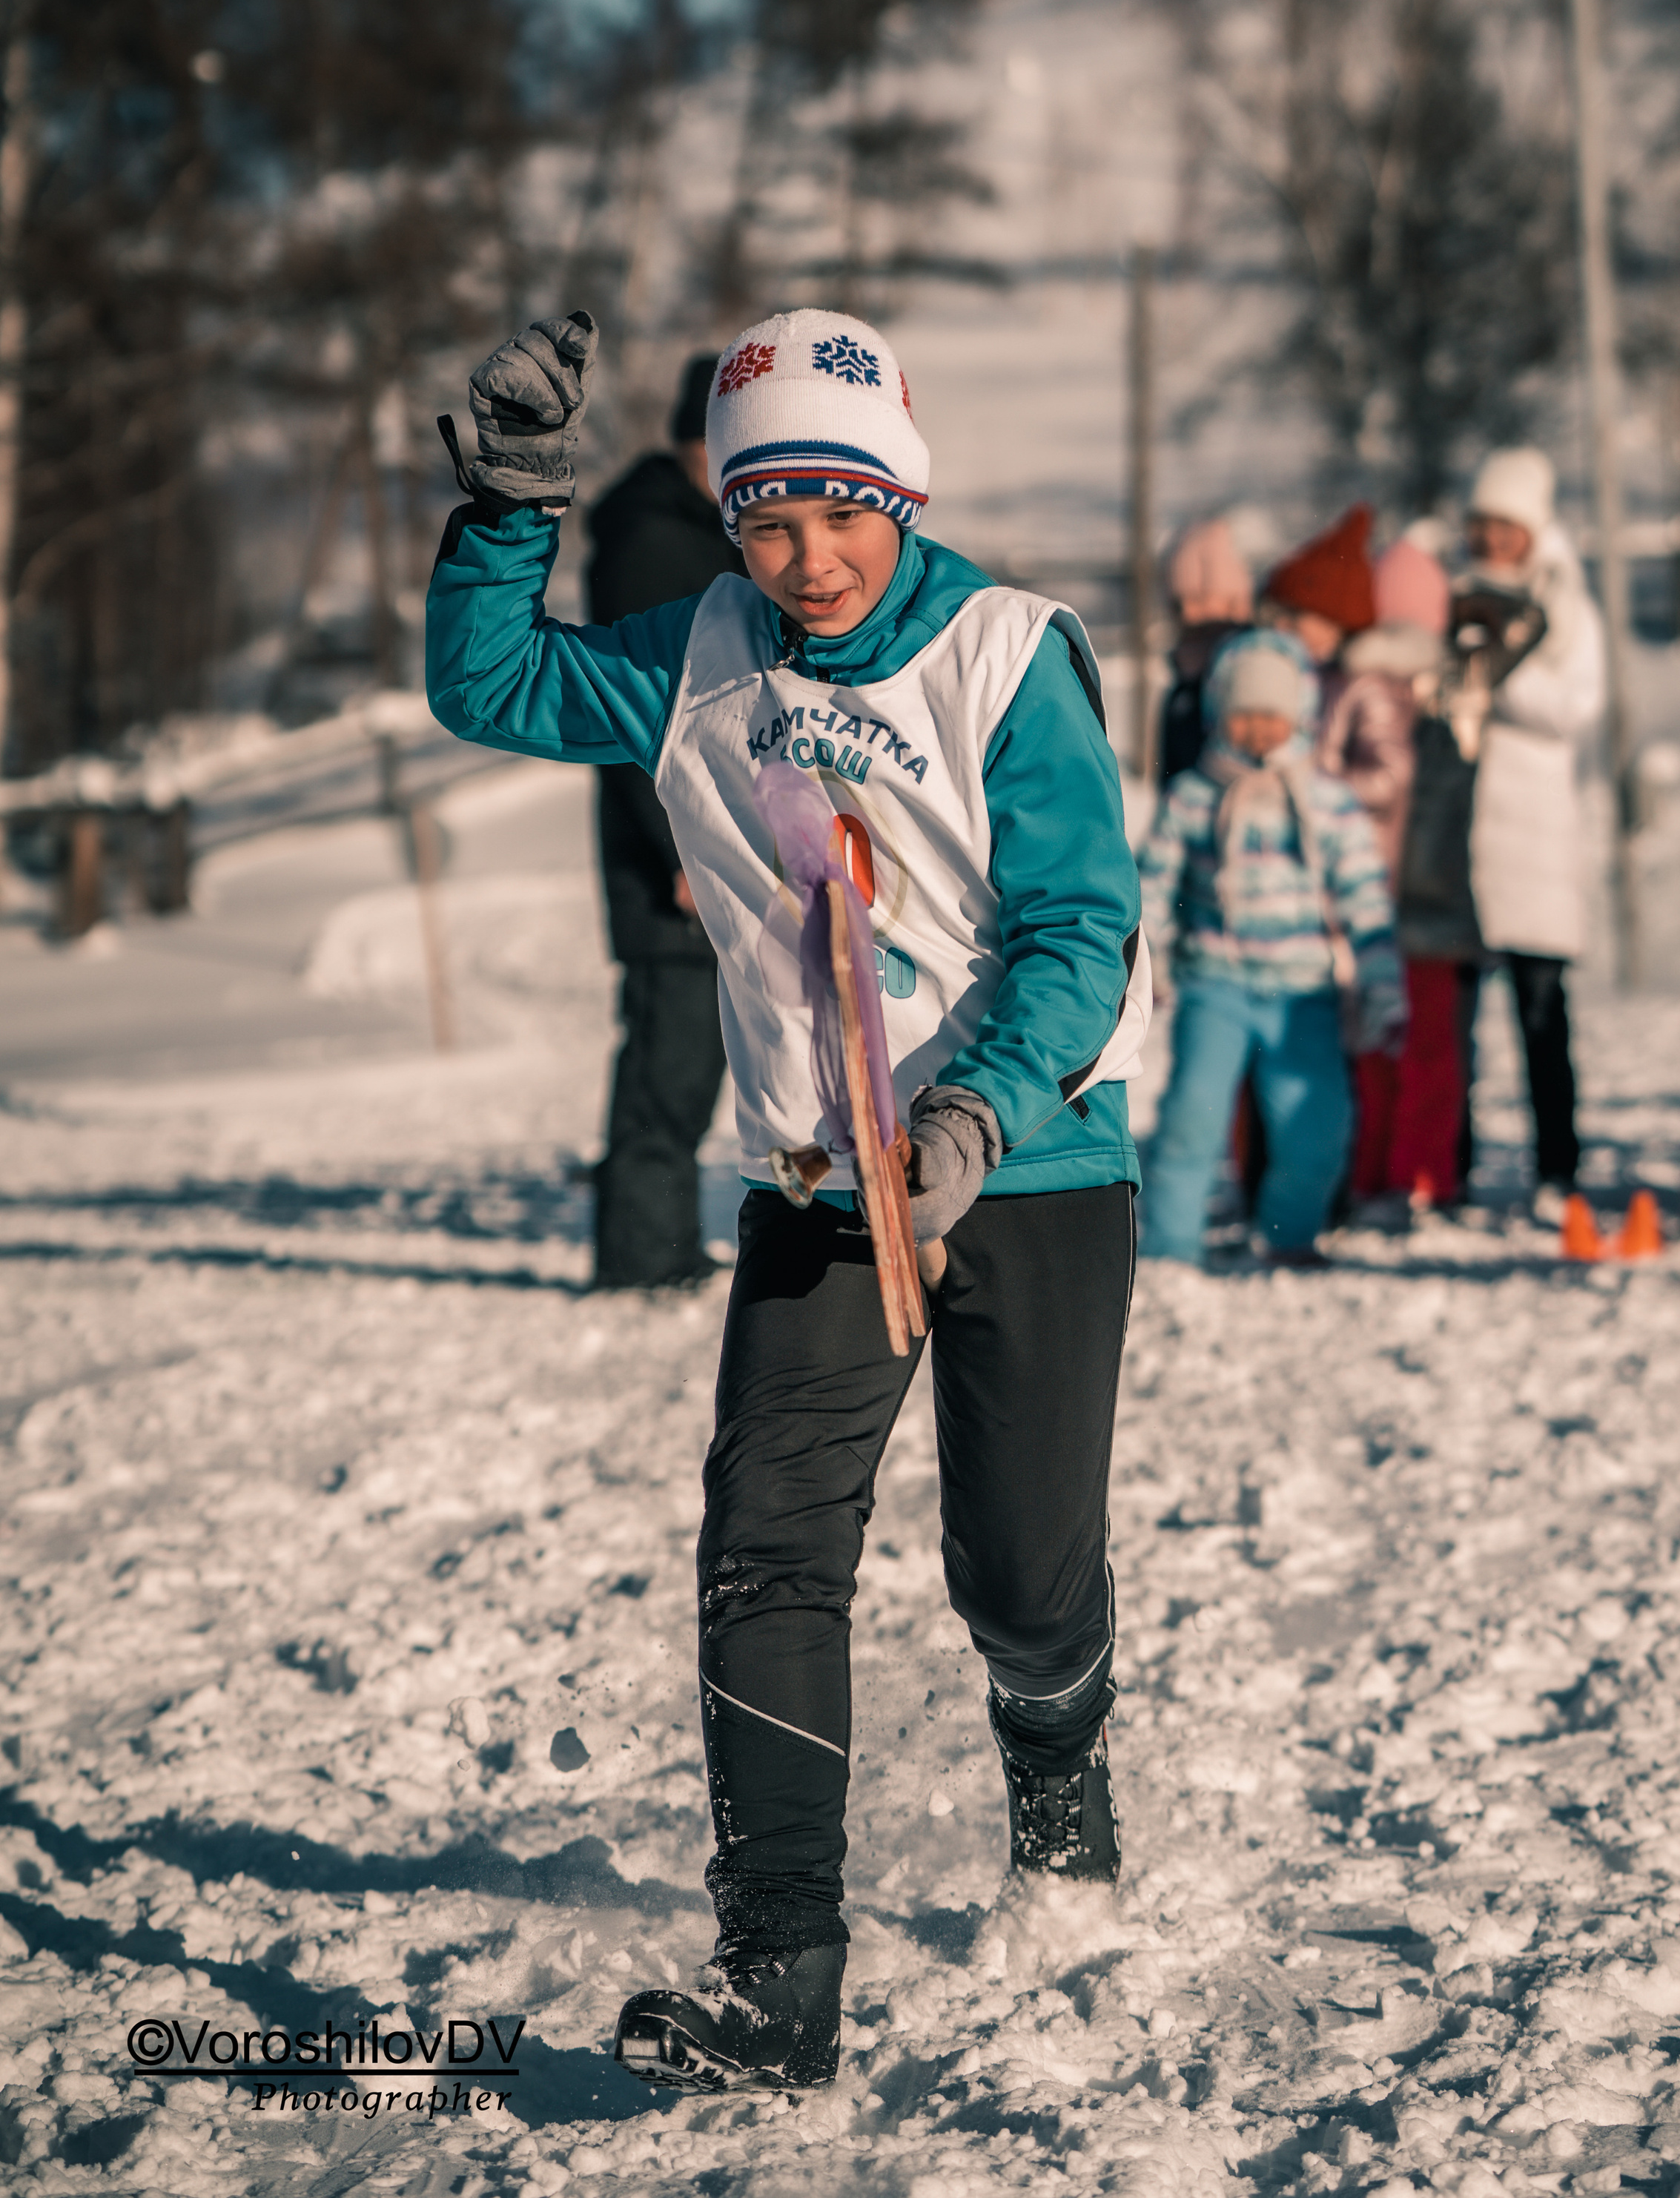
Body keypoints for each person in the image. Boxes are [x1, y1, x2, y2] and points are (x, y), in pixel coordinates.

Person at [426, 306, 1149, 2093]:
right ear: (727, 518)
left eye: (840, 514)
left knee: (1018, 1573)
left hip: (1029, 1171)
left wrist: (975, 1110)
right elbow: (488, 685)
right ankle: (780, 1974)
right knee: (765, 1549)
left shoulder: (1002, 651)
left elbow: (1078, 923)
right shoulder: (700, 652)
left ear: (901, 493)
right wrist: (514, 504)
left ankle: (1057, 1783)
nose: (805, 559)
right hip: (821, 1185)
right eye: (765, 519)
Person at [1137, 629, 1403, 1267]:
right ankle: (1172, 1247)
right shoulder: (1194, 796)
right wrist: (1152, 963)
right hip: (1214, 985)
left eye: (1272, 717)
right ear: (1219, 716)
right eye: (1245, 715)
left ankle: (1292, 1233)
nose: (1259, 731)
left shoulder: (1327, 801)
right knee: (1192, 1118)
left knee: (1317, 1122)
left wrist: (1381, 982)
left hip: (1302, 992)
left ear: (1300, 719)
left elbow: (1365, 897)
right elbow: (1151, 889)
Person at [585, 352, 729, 1290]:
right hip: (667, 855)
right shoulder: (651, 538)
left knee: (698, 1061)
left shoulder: (704, 529)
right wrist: (677, 846)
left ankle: (665, 1246)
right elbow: (636, 713)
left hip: (706, 838)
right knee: (669, 1062)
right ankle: (641, 1261)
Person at [1458, 448, 1606, 1219]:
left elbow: (1577, 707)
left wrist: (1495, 675)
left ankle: (1558, 1170)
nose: (1490, 538)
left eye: (1504, 525)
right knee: (1450, 1024)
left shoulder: (1568, 606)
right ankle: (1450, 1168)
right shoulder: (1456, 593)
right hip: (1459, 835)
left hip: (1537, 838)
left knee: (1542, 1017)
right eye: (1480, 522)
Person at [1316, 529, 1464, 1216]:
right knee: (1412, 1054)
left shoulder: (1357, 693)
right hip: (1418, 903)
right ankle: (1411, 1177)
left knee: (1379, 1055)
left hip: (1379, 900)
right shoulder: (1424, 706)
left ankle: (1380, 1175)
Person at [1157, 516, 1257, 783]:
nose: (1189, 614)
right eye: (1179, 604)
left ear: (1235, 600)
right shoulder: (1183, 683)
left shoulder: (1254, 674)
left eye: (1200, 598)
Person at [1257, 504, 1379, 712]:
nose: (1280, 625)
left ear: (1334, 624)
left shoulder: (1347, 684)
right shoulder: (1279, 664)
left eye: (1294, 615)